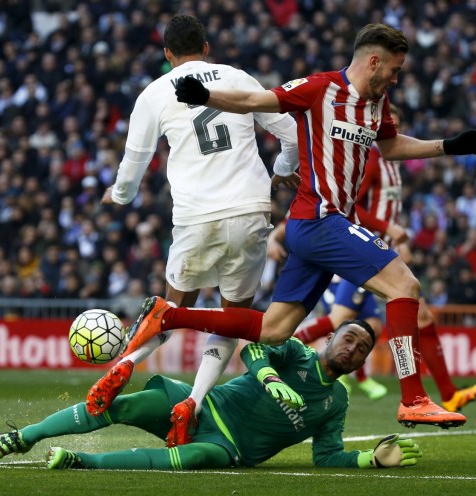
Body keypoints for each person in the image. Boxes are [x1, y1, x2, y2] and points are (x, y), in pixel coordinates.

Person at [123, 23, 476, 429]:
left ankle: (169, 316)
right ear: (374, 61)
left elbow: (388, 145)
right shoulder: (318, 89)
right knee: (405, 287)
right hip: (320, 219)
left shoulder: (375, 103)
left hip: (317, 227)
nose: (396, 77)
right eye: (394, 69)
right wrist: (206, 96)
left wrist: (448, 146)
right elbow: (254, 100)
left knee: (274, 330)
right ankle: (414, 398)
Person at [86, 14, 299, 448]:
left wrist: (119, 196)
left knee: (169, 306)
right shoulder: (237, 77)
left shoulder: (153, 94)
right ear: (206, 46)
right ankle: (194, 402)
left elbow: (135, 162)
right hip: (248, 210)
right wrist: (282, 170)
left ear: (167, 54)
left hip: (194, 216)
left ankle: (122, 366)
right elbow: (291, 130)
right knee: (232, 317)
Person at [0, 320, 421, 471]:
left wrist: (369, 460)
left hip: (229, 448)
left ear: (362, 363)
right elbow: (255, 348)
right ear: (330, 339)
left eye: (362, 349)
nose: (353, 349)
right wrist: (269, 377)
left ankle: (81, 462)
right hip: (204, 402)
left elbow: (326, 457)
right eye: (348, 339)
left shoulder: (336, 403)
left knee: (192, 461)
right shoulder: (296, 353)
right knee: (126, 405)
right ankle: (23, 438)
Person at [276, 105, 476, 410]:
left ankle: (449, 393)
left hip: (382, 251)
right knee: (339, 319)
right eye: (390, 125)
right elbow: (351, 207)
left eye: (398, 125)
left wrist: (394, 240)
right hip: (362, 252)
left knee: (416, 318)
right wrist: (388, 229)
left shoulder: (391, 163)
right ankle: (281, 347)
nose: (393, 130)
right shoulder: (371, 159)